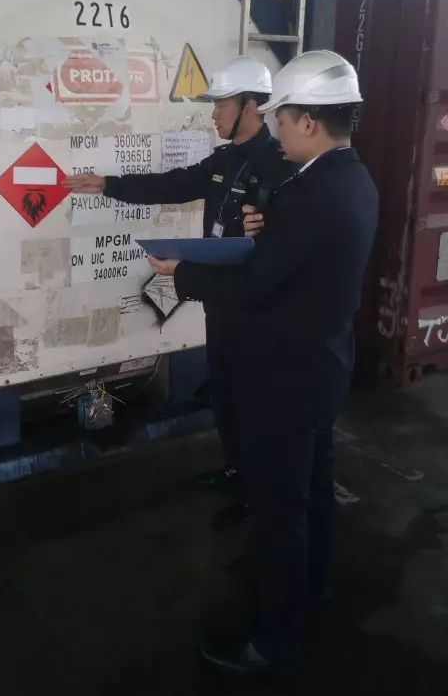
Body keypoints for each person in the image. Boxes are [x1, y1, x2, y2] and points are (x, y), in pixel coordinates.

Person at [148, 50, 378, 676]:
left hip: (283, 380)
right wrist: (263, 231)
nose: (277, 130)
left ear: (308, 121)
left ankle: (275, 643)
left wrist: (181, 272)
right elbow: (297, 265)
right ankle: (311, 591)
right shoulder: (352, 180)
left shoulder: (312, 194)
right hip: (322, 367)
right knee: (313, 493)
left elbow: (258, 283)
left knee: (279, 512)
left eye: (282, 119)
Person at [64, 57, 296, 517]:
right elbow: (170, 185)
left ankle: (261, 490)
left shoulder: (280, 165)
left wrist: (271, 231)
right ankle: (236, 470)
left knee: (255, 400)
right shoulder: (224, 160)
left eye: (222, 104)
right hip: (220, 299)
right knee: (225, 392)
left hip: (257, 308)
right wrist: (107, 184)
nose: (214, 113)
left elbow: (292, 243)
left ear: (251, 107)